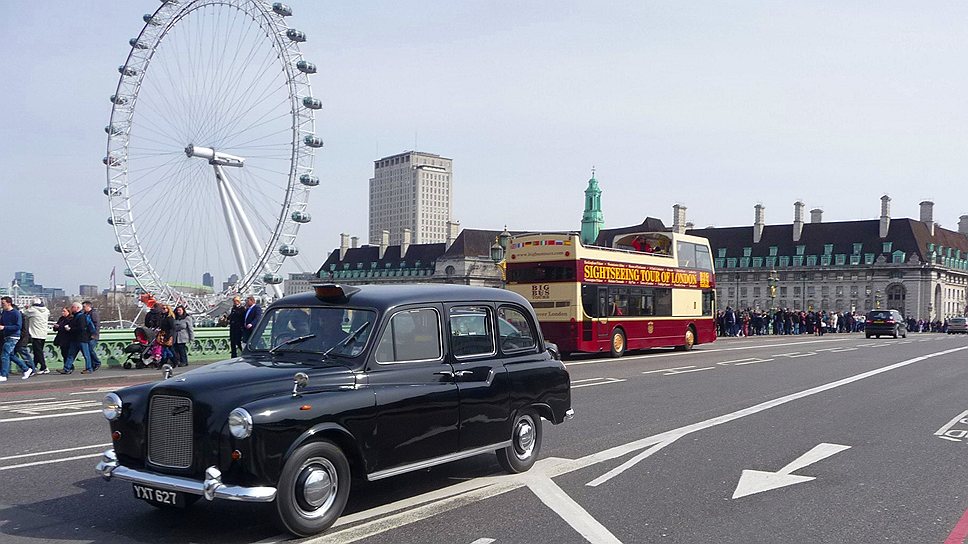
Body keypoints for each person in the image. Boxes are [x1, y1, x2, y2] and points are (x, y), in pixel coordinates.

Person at [0, 296, 37, 381]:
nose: (2, 305)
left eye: (3, 303)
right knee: (11, 355)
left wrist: (4, 327)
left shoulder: (16, 313)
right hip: (6, 336)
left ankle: (4, 374)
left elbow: (18, 326)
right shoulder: (4, 313)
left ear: (9, 303)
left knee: (5, 354)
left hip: (13, 336)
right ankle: (26, 369)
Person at [60, 302, 94, 374]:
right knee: (71, 355)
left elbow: (81, 328)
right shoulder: (76, 316)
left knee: (85, 355)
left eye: (73, 307)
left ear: (77, 308)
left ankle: (89, 368)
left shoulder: (81, 317)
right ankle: (66, 368)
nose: (71, 308)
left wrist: (70, 329)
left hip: (81, 339)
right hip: (76, 338)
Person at [22, 298, 51, 374]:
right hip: (43, 333)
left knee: (38, 352)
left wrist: (25, 307)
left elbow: (23, 313)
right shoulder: (46, 310)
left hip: (35, 334)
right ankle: (35, 366)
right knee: (38, 351)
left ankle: (44, 367)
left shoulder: (33, 310)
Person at [82, 301, 102, 372]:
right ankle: (92, 365)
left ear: (88, 306)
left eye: (84, 307)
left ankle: (97, 362)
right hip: (87, 335)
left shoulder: (93, 313)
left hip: (93, 336)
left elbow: (97, 325)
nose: (83, 308)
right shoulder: (85, 314)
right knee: (87, 351)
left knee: (90, 349)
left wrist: (94, 334)